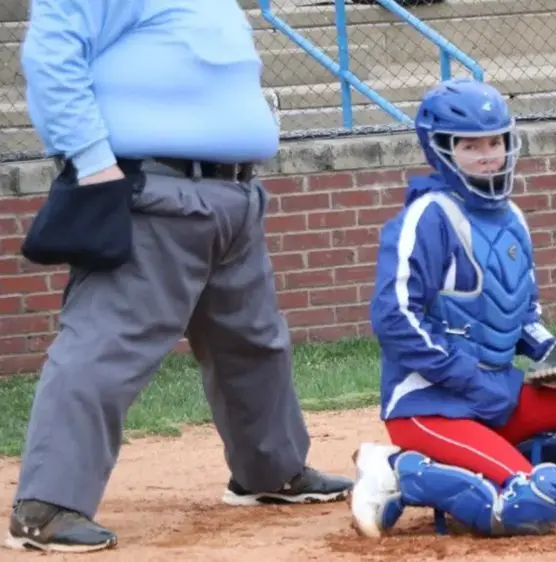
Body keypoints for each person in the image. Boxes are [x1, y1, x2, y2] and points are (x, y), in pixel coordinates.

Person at [7, 0, 353, 553]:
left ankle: (270, 472)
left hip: (233, 194)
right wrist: (95, 163)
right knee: (107, 342)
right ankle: (48, 505)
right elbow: (51, 58)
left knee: (253, 344)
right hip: (154, 192)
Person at [348, 78, 556, 538]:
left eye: (495, 141)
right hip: (429, 404)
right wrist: (468, 377)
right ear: (441, 149)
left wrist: (555, 353)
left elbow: (520, 317)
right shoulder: (428, 217)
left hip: (493, 396)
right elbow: (395, 319)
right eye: (470, 145)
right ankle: (399, 469)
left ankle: (472, 460)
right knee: (533, 503)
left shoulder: (513, 219)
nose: (487, 154)